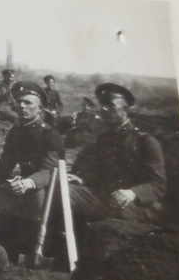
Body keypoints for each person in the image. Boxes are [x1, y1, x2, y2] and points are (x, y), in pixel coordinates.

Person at [0, 81, 64, 253]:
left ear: (40, 108)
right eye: (20, 102)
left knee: (37, 200)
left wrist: (28, 182)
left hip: (46, 185)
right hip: (22, 182)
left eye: (28, 103)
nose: (22, 106)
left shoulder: (50, 134)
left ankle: (35, 249)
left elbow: (51, 171)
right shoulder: (16, 132)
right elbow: (4, 166)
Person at [68, 83, 167, 224]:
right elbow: (100, 173)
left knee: (110, 221)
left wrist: (132, 193)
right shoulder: (103, 139)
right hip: (104, 199)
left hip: (133, 206)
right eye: (102, 105)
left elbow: (159, 186)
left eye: (110, 105)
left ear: (125, 109)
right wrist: (82, 179)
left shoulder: (145, 141)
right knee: (65, 191)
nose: (103, 109)